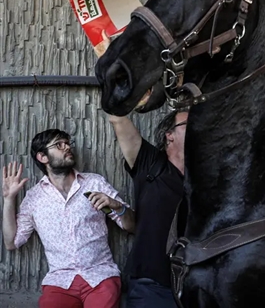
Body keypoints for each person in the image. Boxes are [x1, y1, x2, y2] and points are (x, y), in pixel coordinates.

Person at [2, 130, 134, 308]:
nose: (67, 147)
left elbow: (131, 226)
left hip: (100, 276)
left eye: (67, 143)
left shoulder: (95, 183)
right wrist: (9, 199)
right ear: (43, 157)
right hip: (60, 282)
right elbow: (12, 243)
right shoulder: (34, 198)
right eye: (59, 145)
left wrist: (117, 206)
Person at [107, 109, 187, 308]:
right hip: (151, 286)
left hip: (197, 285)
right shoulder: (151, 164)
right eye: (189, 123)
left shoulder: (208, 176)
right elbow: (117, 116)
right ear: (170, 135)